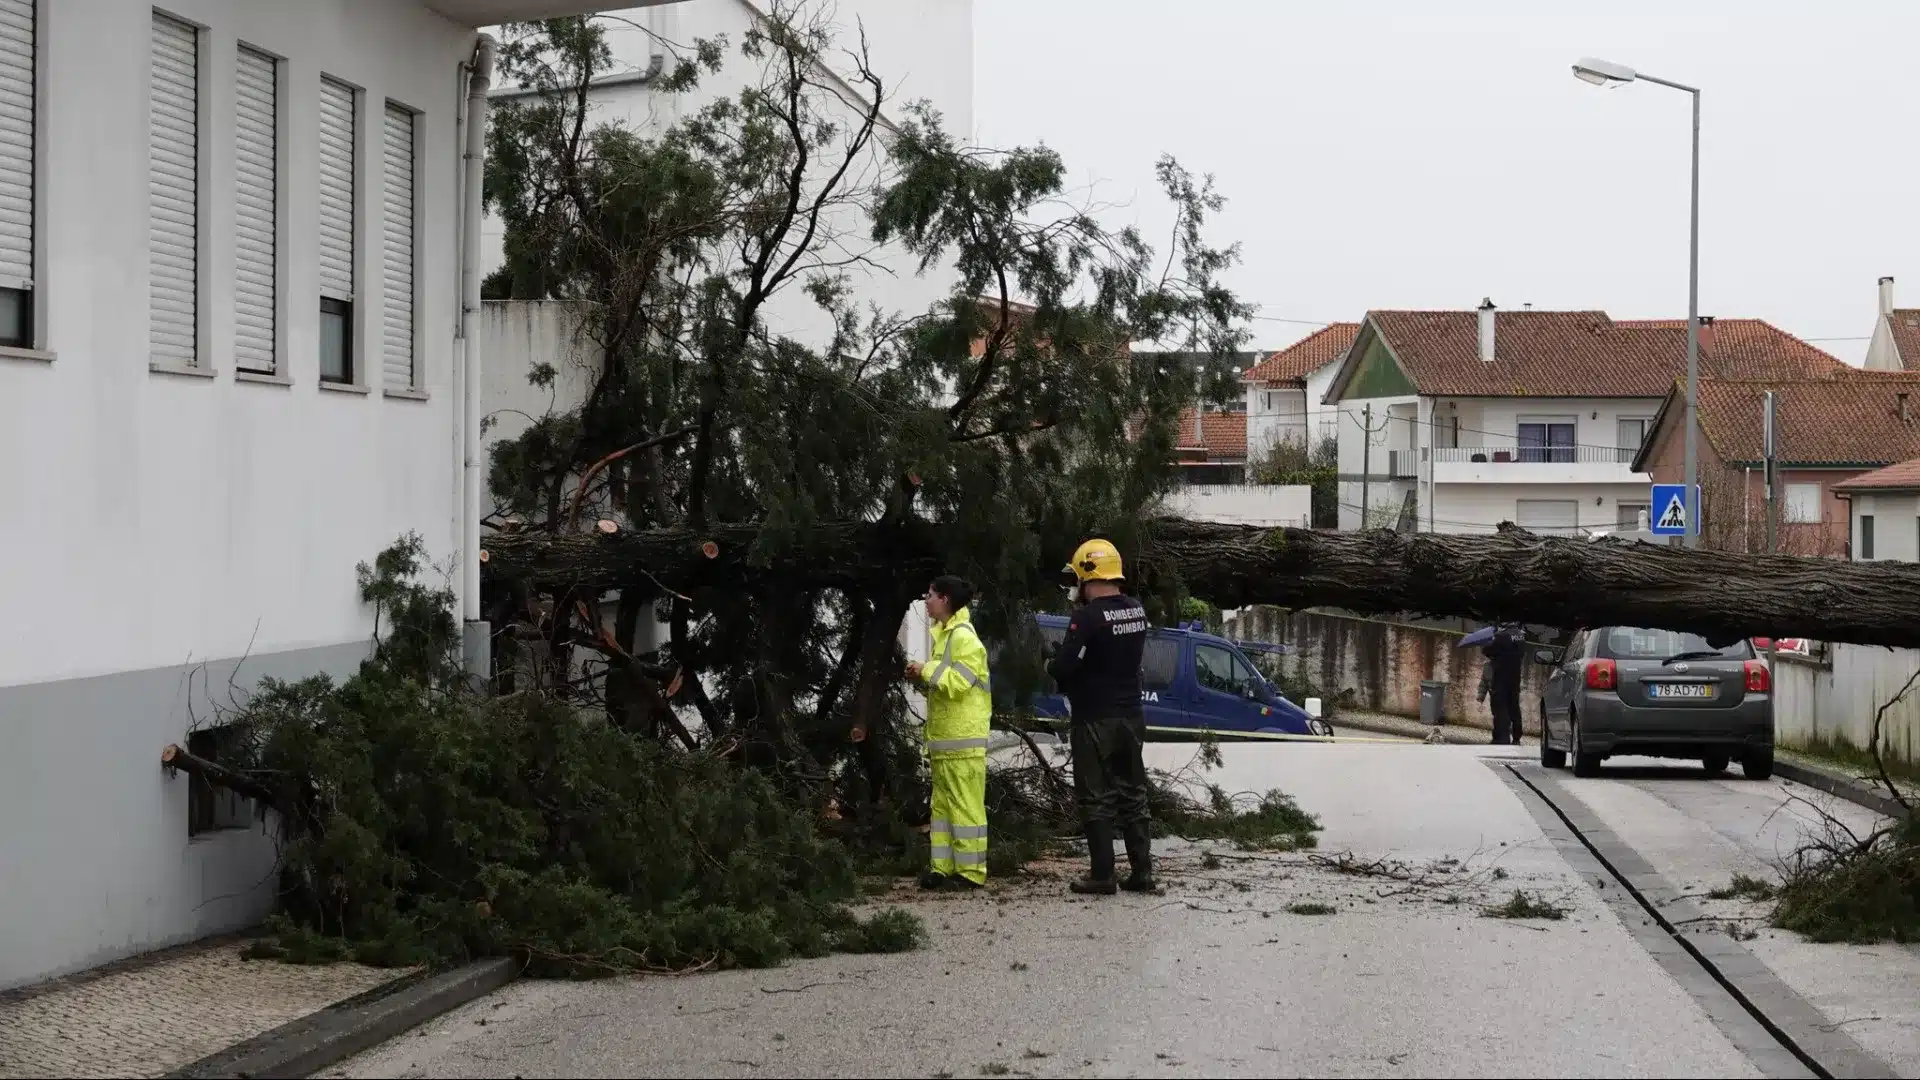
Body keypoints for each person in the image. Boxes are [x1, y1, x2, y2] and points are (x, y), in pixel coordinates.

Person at [1047, 538, 1155, 896]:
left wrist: (1050, 663)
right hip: (1131, 716)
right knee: (1133, 794)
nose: (1075, 587)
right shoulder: (1136, 610)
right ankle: (1142, 872)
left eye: (1076, 578)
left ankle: (1103, 875)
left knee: (1096, 796)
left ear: (1087, 575)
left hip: (1095, 717)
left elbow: (1064, 667)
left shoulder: (1088, 618)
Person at [906, 576, 992, 890]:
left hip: (963, 742)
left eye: (929, 595)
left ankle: (970, 873)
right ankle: (941, 869)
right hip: (946, 742)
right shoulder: (946, 636)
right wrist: (923, 673)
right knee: (941, 810)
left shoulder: (964, 638)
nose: (925, 600)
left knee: (966, 809)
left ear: (944, 599)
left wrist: (924, 669)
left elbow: (958, 683)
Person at [1482, 623, 1526, 745]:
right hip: (1515, 677)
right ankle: (1517, 736)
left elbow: (1486, 650)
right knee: (1514, 707)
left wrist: (1490, 641)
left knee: (1500, 708)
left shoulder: (1501, 636)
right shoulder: (1521, 636)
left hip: (1501, 676)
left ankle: (1501, 737)